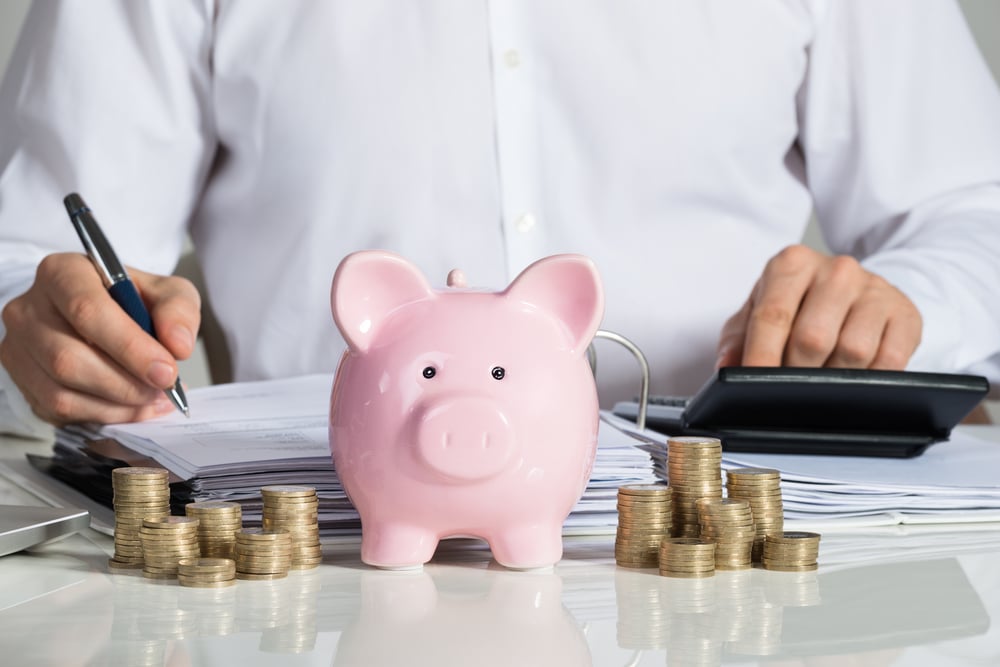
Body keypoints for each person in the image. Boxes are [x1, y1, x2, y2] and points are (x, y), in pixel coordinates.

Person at [0, 1, 998, 437]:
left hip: (724, 548)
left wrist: (896, 307)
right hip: (318, 564)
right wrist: (49, 326)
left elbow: (973, 212)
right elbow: (28, 256)